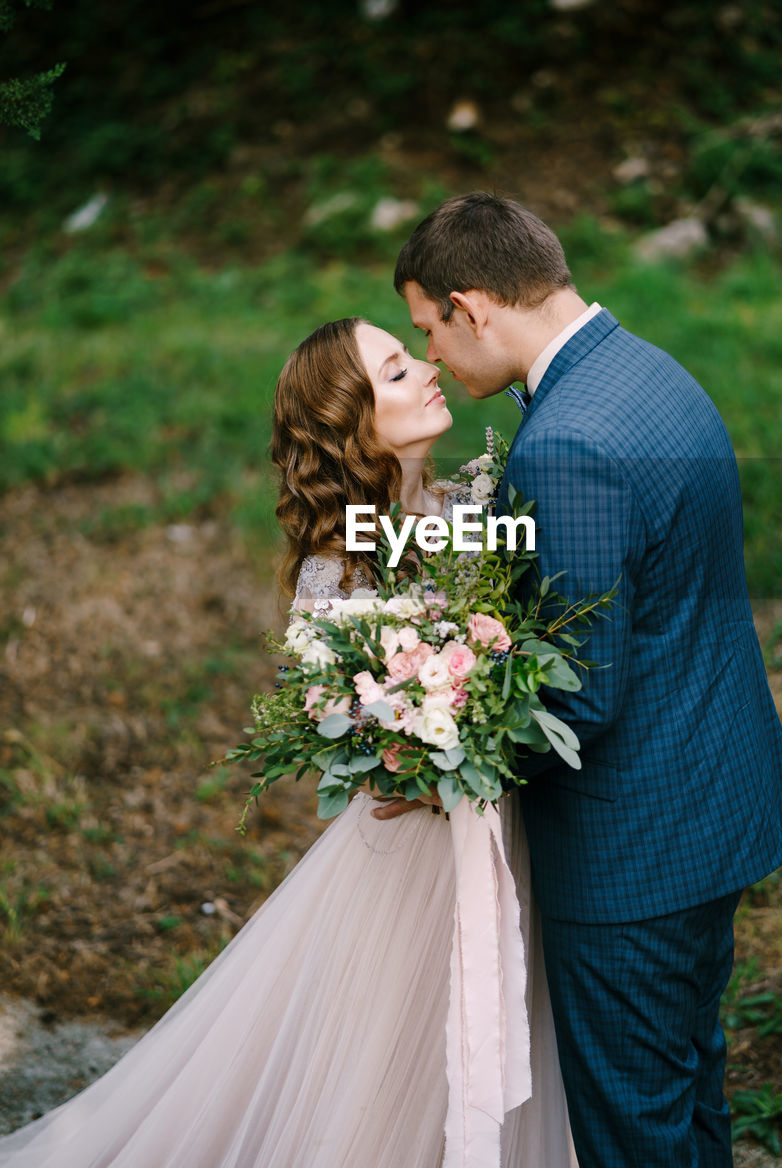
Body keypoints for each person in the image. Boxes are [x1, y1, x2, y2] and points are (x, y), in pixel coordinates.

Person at [0, 316, 575, 1168]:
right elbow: (327, 711)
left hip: (506, 829)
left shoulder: (475, 507)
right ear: (355, 418)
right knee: (395, 1047)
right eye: (394, 369)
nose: (427, 368)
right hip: (414, 850)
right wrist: (416, 753)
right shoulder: (341, 568)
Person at [382, 191, 782, 1168]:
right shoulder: (650, 372)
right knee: (689, 1086)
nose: (435, 356)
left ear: (474, 305)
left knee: (634, 1128)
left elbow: (577, 694)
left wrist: (428, 748)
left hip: (635, 852)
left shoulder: (565, 445)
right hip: (714, 804)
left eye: (429, 329)